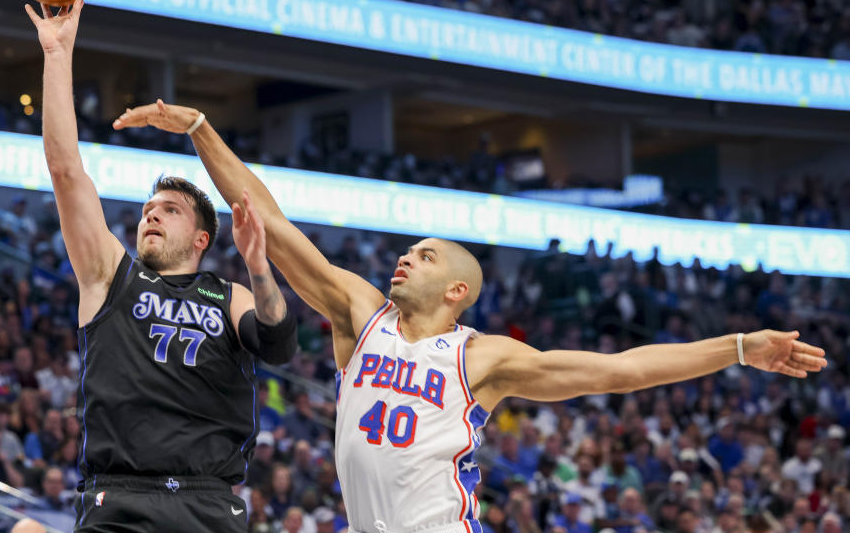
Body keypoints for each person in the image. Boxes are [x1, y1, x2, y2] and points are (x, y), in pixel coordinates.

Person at [114, 99, 828, 533]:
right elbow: (264, 216)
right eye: (405, 252)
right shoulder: (359, 312)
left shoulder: (480, 357)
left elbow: (622, 370)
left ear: (458, 290)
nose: (403, 260)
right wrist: (201, 129)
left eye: (423, 257)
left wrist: (736, 345)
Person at [24, 0, 297, 532]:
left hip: (207, 503)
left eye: (168, 210)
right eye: (148, 210)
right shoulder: (111, 276)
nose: (151, 216)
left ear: (200, 237)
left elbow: (280, 344)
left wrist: (260, 268)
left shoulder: (227, 293)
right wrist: (57, 52)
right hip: (119, 498)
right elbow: (65, 170)